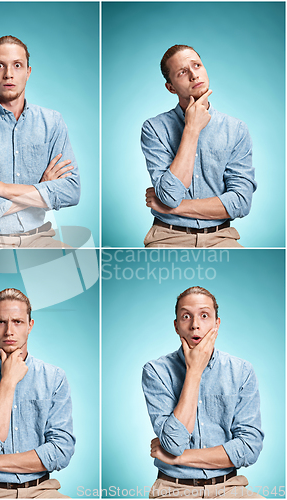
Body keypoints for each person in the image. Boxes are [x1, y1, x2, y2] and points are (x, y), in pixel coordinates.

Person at [0, 36, 80, 248]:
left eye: (17, 65)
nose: (8, 74)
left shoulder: (52, 121)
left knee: (80, 269)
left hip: (38, 237)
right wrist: (41, 190)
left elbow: (71, 192)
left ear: (28, 72)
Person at [142, 286, 264, 498]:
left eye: (204, 315)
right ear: (176, 326)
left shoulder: (242, 371)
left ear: (217, 323)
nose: (195, 325)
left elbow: (249, 448)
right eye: (186, 316)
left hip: (231, 488)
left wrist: (178, 457)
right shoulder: (156, 371)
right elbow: (174, 443)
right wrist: (194, 371)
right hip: (174, 489)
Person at [0, 288, 75, 498]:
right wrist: (8, 381)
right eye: (1, 322)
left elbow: (61, 452)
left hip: (42, 491)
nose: (9, 331)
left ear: (30, 325)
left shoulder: (55, 377)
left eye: (18, 322)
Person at [141, 45, 256, 248]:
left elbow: (240, 202)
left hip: (222, 238)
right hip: (167, 236)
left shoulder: (236, 129)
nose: (194, 75)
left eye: (197, 65)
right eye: (182, 72)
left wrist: (172, 208)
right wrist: (191, 129)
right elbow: (170, 195)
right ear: (171, 87)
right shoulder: (154, 128)